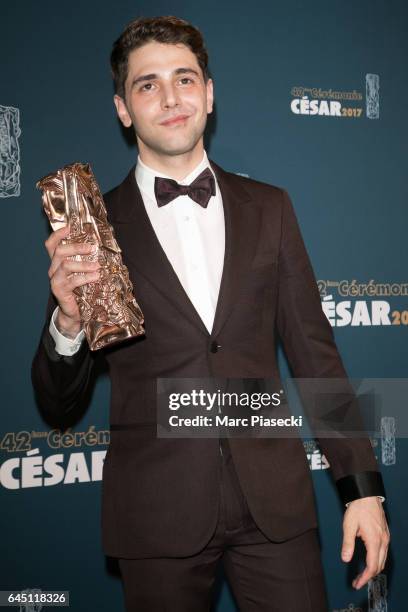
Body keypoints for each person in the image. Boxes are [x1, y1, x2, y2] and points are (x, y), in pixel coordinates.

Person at [31, 15, 390, 612]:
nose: (171, 98)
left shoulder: (270, 208)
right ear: (123, 108)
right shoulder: (91, 228)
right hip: (157, 515)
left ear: (209, 93)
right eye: (148, 85)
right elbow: (58, 403)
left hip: (276, 508)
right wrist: (68, 324)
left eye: (185, 79)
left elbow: (315, 355)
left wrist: (361, 491)